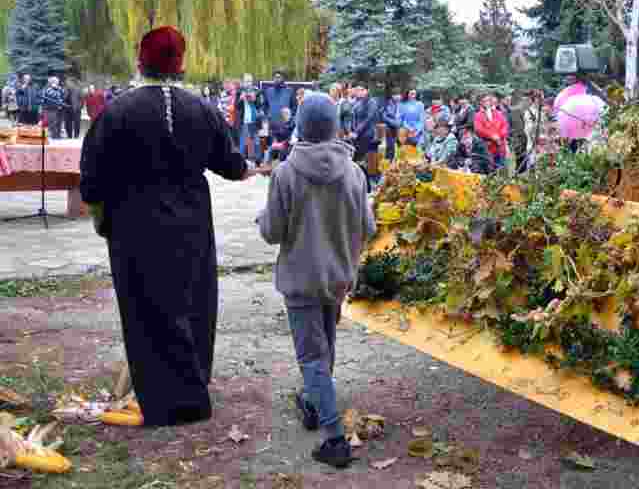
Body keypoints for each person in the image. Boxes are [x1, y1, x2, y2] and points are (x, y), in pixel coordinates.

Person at [79, 26, 258, 428]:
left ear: (140, 61)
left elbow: (91, 181)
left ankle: (162, 401)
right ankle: (193, 392)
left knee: (146, 310)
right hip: (191, 226)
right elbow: (231, 166)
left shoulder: (117, 112)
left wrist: (102, 216)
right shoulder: (202, 109)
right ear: (180, 63)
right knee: (192, 305)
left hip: (135, 228)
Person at [257, 91, 374, 469]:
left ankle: (334, 438)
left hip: (302, 279)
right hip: (339, 276)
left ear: (300, 127)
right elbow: (368, 227)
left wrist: (263, 218)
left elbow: (272, 232)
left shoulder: (286, 173)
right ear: (336, 126)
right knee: (325, 347)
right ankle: (312, 402)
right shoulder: (355, 173)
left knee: (311, 356)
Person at [473, 93, 509, 171]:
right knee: (490, 169)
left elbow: (505, 126)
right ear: (481, 102)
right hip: (487, 147)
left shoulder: (499, 113)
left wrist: (499, 136)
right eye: (485, 101)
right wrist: (492, 136)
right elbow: (478, 129)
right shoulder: (478, 115)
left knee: (501, 168)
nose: (487, 102)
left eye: (489, 100)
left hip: (500, 146)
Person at [380, 90, 401, 160]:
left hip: (398, 129)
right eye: (396, 95)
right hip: (389, 129)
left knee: (398, 148)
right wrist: (394, 123)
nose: (398, 97)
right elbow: (383, 116)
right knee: (390, 147)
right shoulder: (387, 104)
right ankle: (387, 163)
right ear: (392, 96)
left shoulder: (400, 104)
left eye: (399, 95)